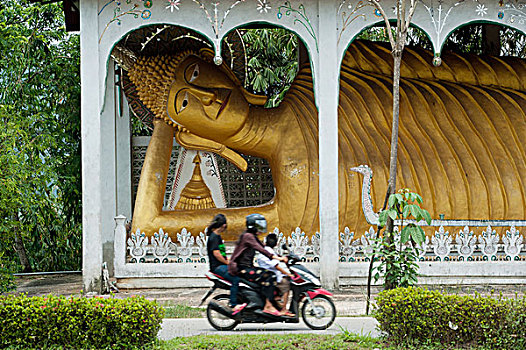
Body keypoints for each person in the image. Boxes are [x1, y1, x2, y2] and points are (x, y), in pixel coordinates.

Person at [228, 214, 288, 316]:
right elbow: (262, 250)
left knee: (267, 276)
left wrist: (281, 256)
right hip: (242, 268)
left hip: (248, 267)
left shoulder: (252, 236)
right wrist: (278, 258)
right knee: (270, 275)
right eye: (259, 225)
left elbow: (264, 247)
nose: (261, 227)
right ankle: (268, 306)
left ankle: (268, 301)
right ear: (253, 226)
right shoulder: (248, 236)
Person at [206, 214, 246, 315]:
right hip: (218, 267)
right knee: (235, 278)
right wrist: (228, 263)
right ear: (223, 225)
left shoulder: (217, 236)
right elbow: (217, 254)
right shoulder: (214, 237)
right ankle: (233, 304)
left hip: (221, 265)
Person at [257, 233, 295, 317]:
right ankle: (284, 309)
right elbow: (276, 266)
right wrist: (288, 274)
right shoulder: (268, 251)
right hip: (270, 276)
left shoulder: (267, 250)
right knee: (286, 285)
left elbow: (277, 259)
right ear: (276, 243)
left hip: (271, 275)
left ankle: (278, 302)